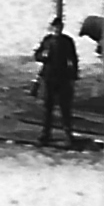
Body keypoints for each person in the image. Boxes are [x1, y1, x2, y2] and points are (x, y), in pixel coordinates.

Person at [32, 16, 80, 146]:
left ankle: (68, 133)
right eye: (55, 27)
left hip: (63, 77)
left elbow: (73, 59)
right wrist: (43, 56)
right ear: (52, 28)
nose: (57, 29)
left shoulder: (67, 41)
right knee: (48, 106)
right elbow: (37, 56)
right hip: (49, 77)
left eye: (59, 27)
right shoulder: (47, 41)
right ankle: (46, 133)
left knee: (65, 107)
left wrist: (74, 76)